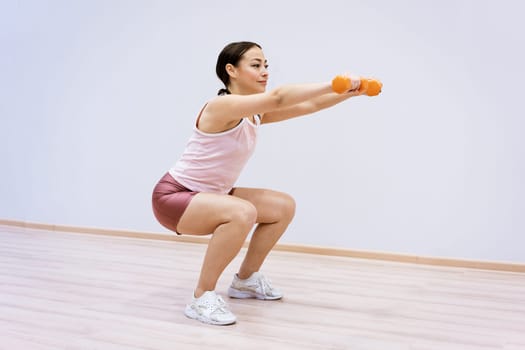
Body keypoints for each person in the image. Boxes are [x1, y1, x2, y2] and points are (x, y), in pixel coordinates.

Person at [152, 41, 379, 326]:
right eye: (256, 65)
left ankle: (245, 280)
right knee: (242, 211)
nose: (264, 72)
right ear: (231, 70)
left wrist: (350, 92)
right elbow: (280, 97)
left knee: (282, 207)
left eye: (266, 65)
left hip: (210, 195)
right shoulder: (221, 106)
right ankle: (201, 297)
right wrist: (332, 82)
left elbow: (307, 105)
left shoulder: (253, 112)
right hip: (174, 197)